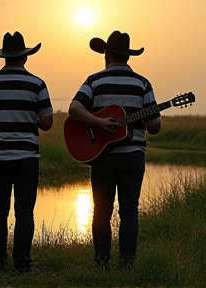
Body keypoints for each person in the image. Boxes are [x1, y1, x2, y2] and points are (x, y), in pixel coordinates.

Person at [67, 31, 161, 270]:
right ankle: (127, 264)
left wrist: (96, 123)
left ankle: (101, 262)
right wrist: (104, 122)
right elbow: (155, 127)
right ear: (128, 56)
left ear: (107, 54)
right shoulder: (143, 83)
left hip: (102, 159)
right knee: (130, 211)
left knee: (101, 210)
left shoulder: (94, 81)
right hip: (133, 157)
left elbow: (74, 108)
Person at [0, 31, 53, 273]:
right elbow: (47, 122)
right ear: (25, 57)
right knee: (24, 212)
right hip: (27, 158)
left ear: (3, 57)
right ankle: (23, 263)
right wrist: (32, 120)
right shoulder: (37, 84)